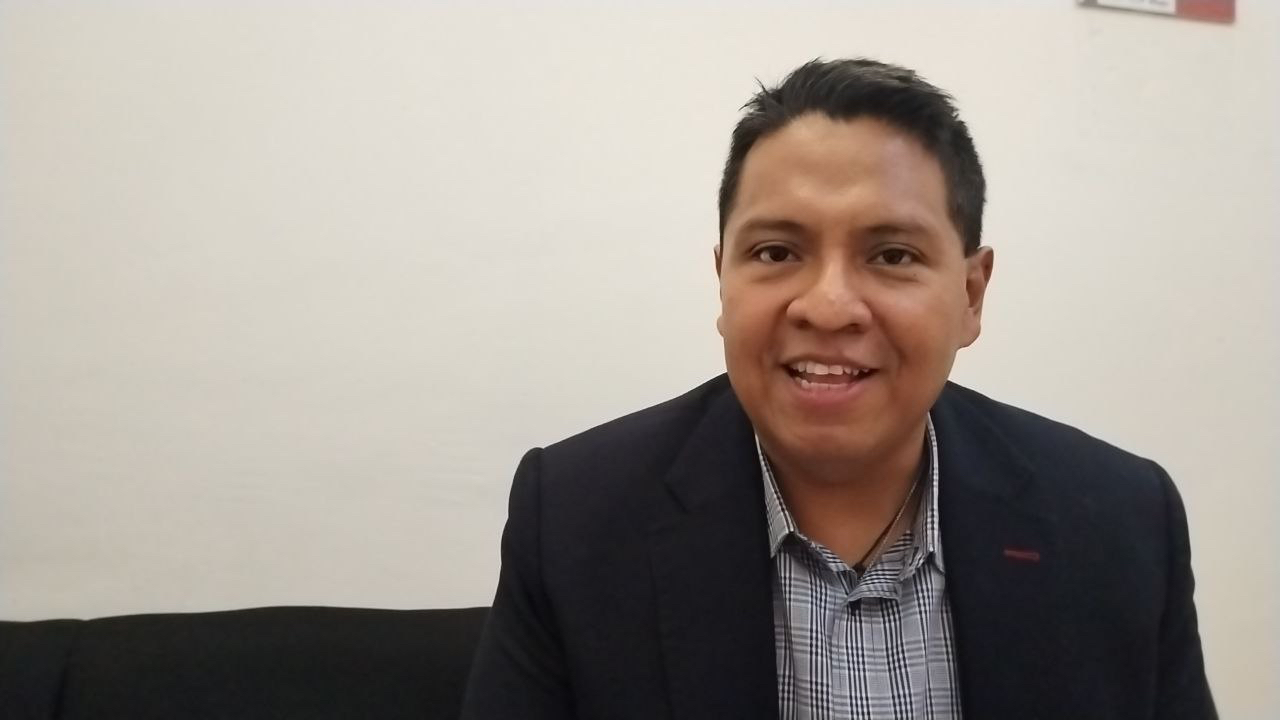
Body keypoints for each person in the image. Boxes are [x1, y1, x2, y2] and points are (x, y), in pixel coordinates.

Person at [460, 58, 1215, 719]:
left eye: (891, 255)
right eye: (776, 251)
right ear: (722, 280)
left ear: (971, 294)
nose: (827, 307)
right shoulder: (575, 520)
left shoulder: (1120, 524)